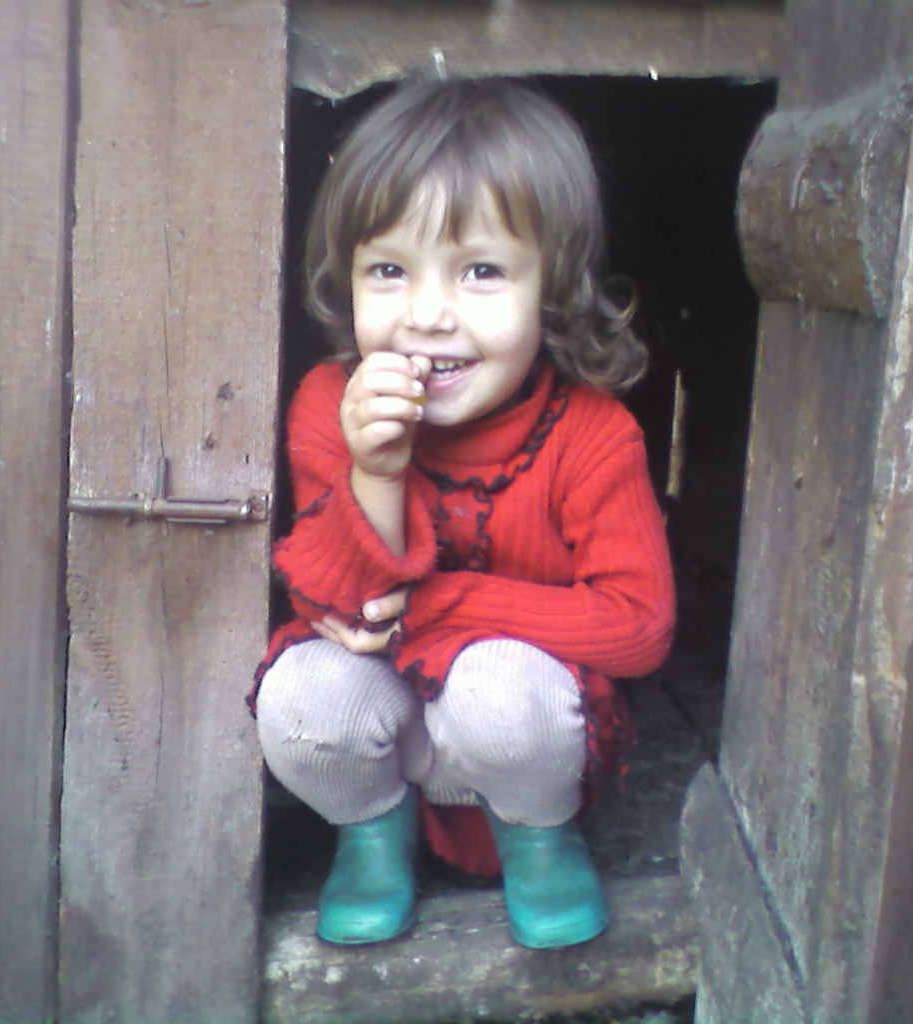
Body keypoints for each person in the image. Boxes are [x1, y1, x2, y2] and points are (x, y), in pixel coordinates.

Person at [250, 77, 675, 950]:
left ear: (552, 288)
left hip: (523, 747)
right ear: (346, 277)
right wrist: (376, 469)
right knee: (301, 694)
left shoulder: (593, 434)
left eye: (481, 271)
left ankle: (539, 842)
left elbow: (639, 627)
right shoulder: (331, 403)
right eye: (389, 270)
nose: (428, 315)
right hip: (391, 730)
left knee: (497, 685)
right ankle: (373, 837)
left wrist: (439, 607)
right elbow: (339, 609)